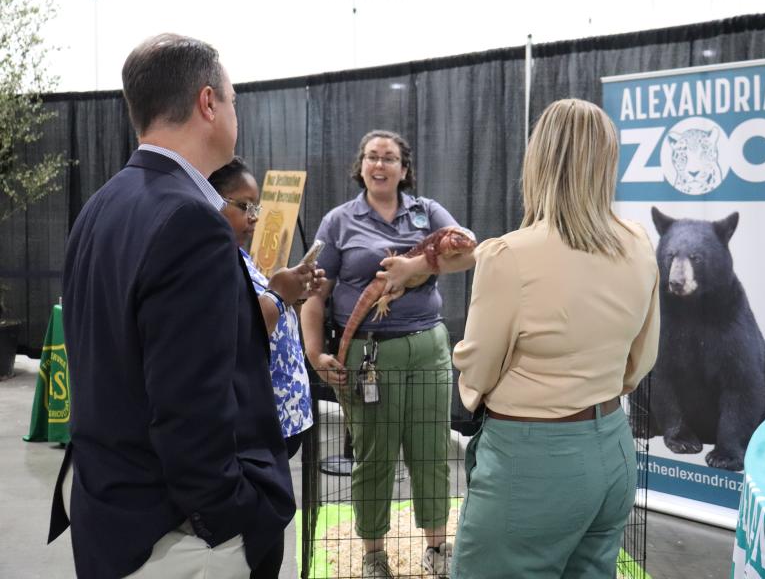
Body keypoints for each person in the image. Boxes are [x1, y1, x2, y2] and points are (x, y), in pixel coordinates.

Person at [49, 34, 322, 579]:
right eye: (233, 99)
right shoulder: (189, 221)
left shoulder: (102, 205)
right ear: (207, 104)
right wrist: (236, 515)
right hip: (178, 539)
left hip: (113, 517)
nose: (235, 112)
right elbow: (189, 411)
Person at [450, 98, 661, 578]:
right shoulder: (638, 242)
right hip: (612, 447)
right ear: (607, 161)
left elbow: (479, 367)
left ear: (539, 158)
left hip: (532, 461)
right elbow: (642, 357)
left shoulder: (509, 255)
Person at [301, 130, 475, 579]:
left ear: (404, 168)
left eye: (390, 158)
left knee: (431, 450)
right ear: (360, 166)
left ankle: (438, 547)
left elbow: (469, 253)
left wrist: (416, 267)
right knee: (374, 456)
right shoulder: (339, 221)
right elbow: (315, 293)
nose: (380, 165)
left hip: (428, 348)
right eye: (372, 157)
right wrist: (315, 351)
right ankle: (374, 552)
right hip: (368, 355)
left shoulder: (427, 211)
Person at [209, 156, 315, 461]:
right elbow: (241, 331)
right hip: (253, 428)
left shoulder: (237, 254)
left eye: (256, 208)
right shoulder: (211, 262)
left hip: (281, 420)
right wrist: (279, 294)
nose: (254, 218)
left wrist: (293, 295)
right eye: (245, 207)